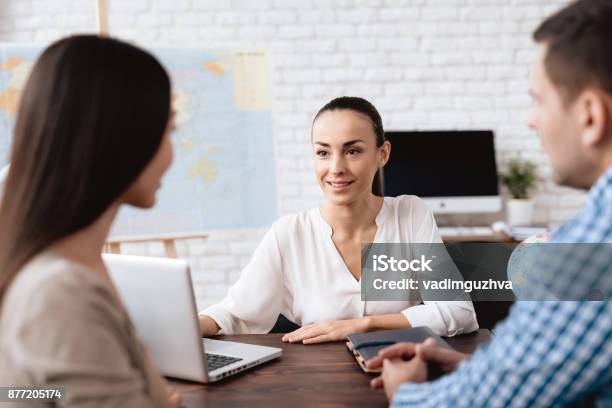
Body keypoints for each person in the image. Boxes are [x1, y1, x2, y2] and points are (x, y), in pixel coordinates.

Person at [368, 0, 612, 406]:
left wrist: (407, 391)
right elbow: (567, 367)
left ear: (590, 116)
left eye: (539, 100)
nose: (530, 121)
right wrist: (482, 369)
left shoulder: (590, 252)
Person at [199, 96, 479, 342]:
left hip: (397, 370)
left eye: (352, 151)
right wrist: (183, 329)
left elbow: (459, 312)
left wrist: (363, 325)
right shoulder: (289, 233)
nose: (336, 168)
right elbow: (235, 313)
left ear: (383, 154)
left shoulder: (410, 214)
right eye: (323, 152)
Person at [0, 35, 181, 407]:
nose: (170, 154)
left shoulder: (58, 267)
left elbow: (27, 393)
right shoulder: (61, 293)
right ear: (122, 137)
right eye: (167, 131)